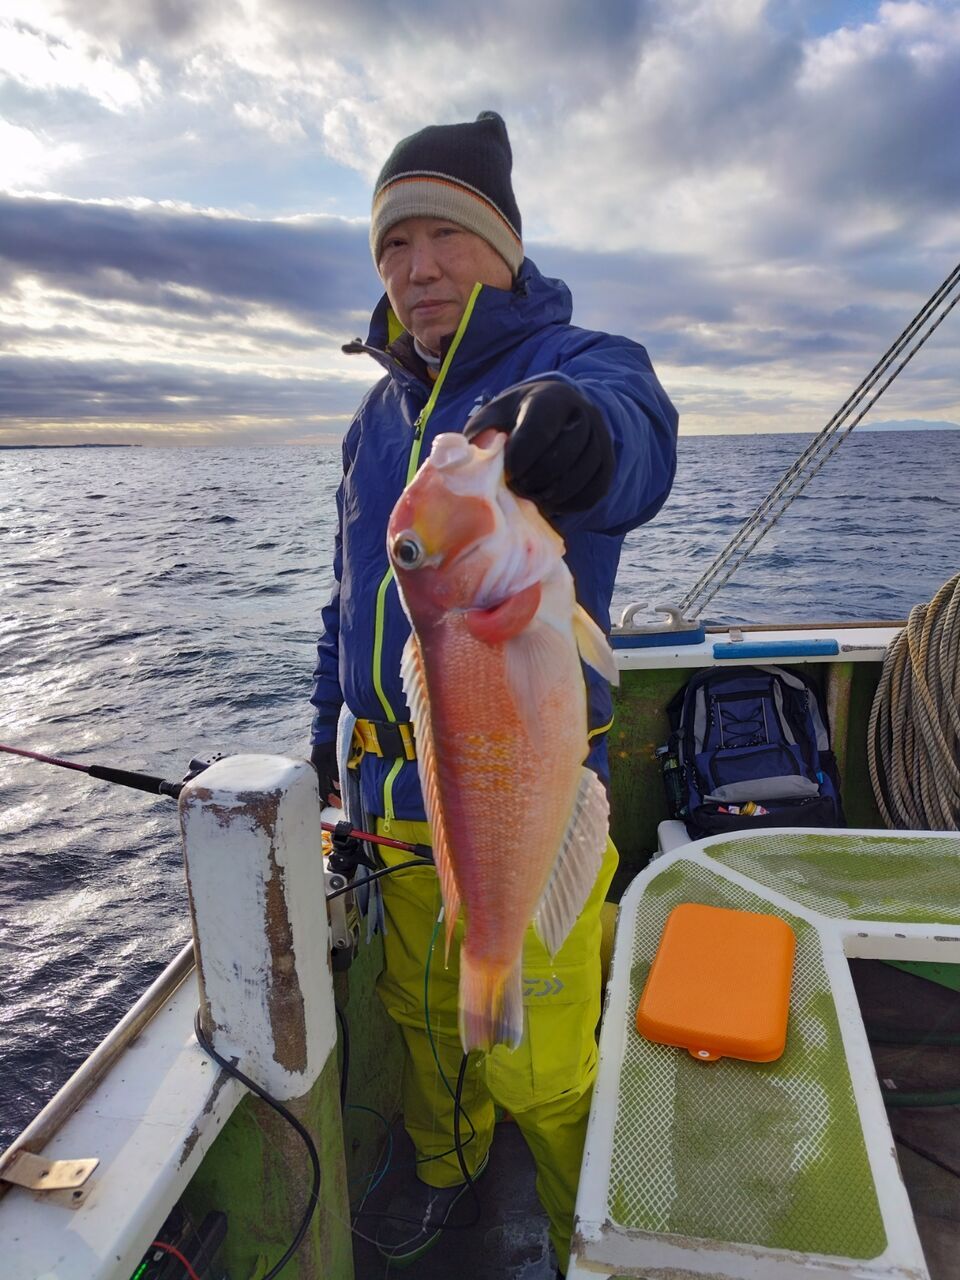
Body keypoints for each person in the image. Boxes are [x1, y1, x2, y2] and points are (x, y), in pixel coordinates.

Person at [310, 111, 678, 1276]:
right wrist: (324, 746)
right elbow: (346, 599)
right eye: (392, 245)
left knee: (545, 1057)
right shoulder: (373, 423)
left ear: (504, 246)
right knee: (429, 1024)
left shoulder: (580, 363)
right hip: (395, 806)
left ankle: (587, 1237)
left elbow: (639, 435)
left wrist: (582, 437)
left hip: (525, 794)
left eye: (444, 235)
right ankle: (448, 1171)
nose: (416, 268)